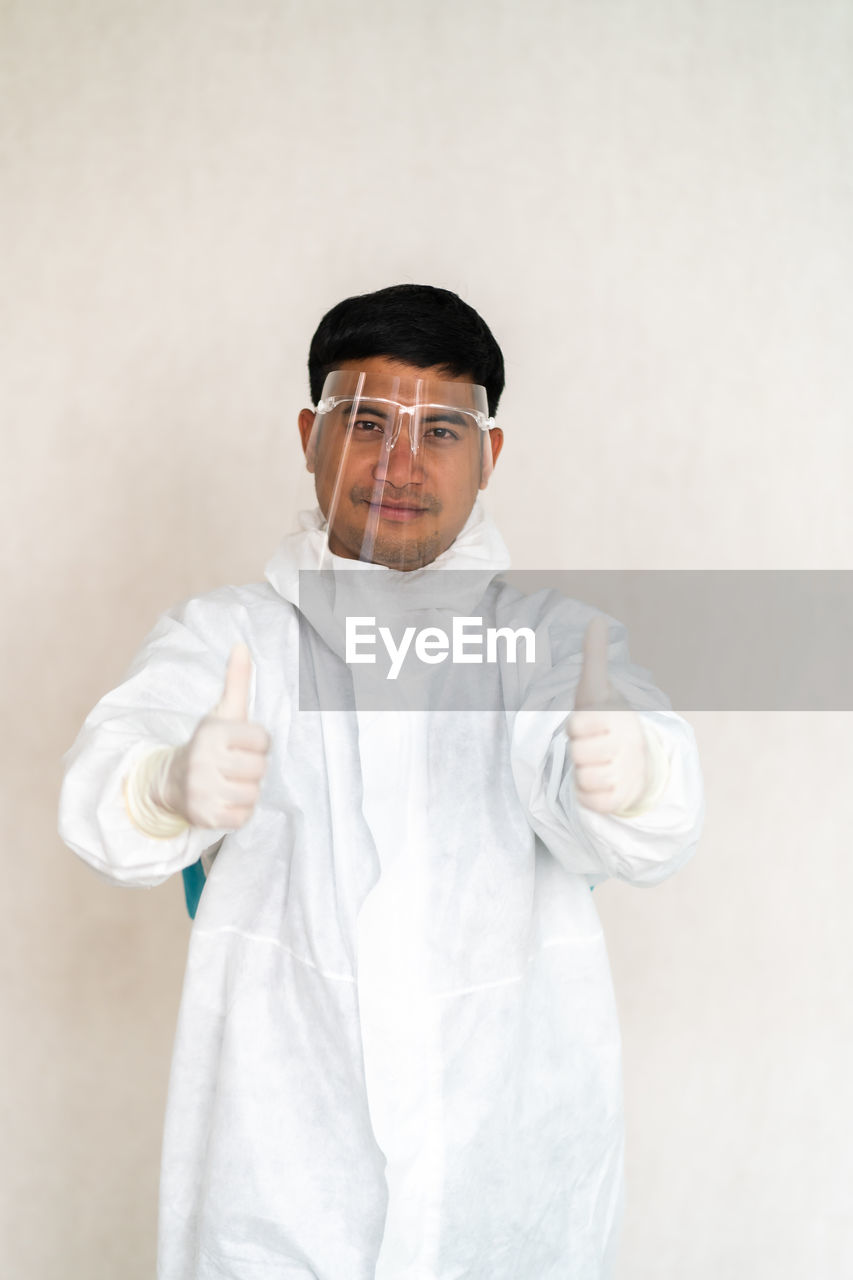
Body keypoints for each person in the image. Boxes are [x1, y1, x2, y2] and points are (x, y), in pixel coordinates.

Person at [58, 283, 704, 1280]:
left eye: (441, 429)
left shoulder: (550, 644)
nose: (400, 464)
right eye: (366, 422)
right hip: (276, 1192)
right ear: (311, 434)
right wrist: (164, 786)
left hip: (505, 1197)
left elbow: (648, 814)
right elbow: (107, 782)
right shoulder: (229, 640)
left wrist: (632, 774)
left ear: (489, 455)